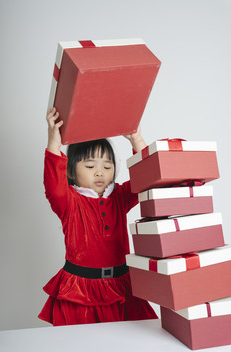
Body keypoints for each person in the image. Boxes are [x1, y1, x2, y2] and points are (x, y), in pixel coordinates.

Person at [38, 107, 158, 326]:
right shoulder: (69, 200)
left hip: (121, 287)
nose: (100, 172)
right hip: (80, 289)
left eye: (107, 165)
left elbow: (147, 178)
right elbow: (53, 186)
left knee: (135, 340)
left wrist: (136, 139)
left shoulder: (120, 196)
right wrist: (54, 142)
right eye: (90, 165)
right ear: (72, 171)